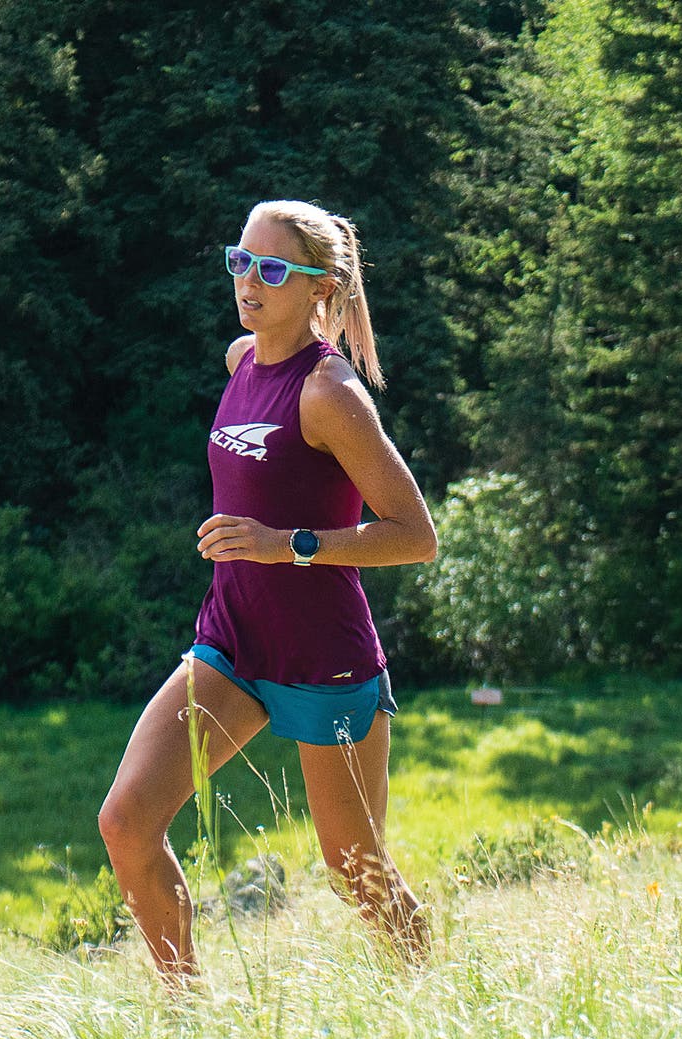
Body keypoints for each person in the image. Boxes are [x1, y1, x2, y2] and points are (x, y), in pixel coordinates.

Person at [97, 199, 438, 985]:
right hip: (231, 643)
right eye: (240, 260)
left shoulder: (329, 395)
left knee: (355, 870)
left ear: (320, 288)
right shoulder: (239, 361)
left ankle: (434, 996)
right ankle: (187, 1021)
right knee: (126, 822)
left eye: (273, 268)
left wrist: (288, 546)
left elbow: (415, 535)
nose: (249, 281)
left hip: (326, 661)